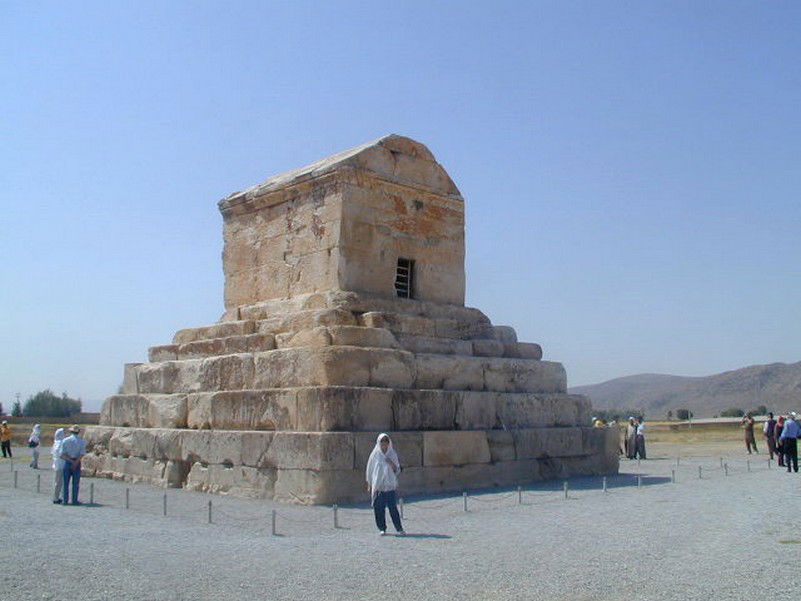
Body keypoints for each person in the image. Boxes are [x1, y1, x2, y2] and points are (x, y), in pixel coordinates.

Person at [365, 433, 405, 536]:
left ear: (388, 443)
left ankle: (399, 528)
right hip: (378, 486)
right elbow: (370, 470)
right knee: (378, 508)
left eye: (386, 442)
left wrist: (391, 463)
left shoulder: (392, 454)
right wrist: (369, 483)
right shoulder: (375, 455)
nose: (384, 444)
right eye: (382, 442)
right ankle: (382, 528)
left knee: (393, 508)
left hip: (389, 485)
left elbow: (397, 469)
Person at [60, 425, 86, 505]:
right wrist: (75, 462)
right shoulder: (81, 441)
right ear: (78, 432)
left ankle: (65, 500)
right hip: (77, 462)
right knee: (75, 483)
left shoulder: (65, 440)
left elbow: (62, 455)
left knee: (65, 482)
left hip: (68, 462)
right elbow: (82, 454)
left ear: (71, 431)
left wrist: (71, 461)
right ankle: (74, 500)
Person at [51, 428, 65, 504]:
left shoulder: (55, 443)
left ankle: (58, 497)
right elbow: (61, 454)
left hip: (57, 465)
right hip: (61, 465)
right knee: (59, 483)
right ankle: (57, 498)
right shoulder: (60, 443)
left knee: (58, 482)